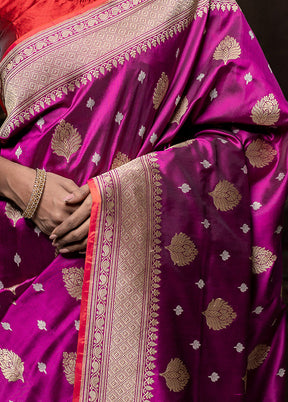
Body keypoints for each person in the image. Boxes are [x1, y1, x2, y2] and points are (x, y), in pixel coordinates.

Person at [0, 0, 287, 400]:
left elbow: (255, 137)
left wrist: (126, 198)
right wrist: (23, 187)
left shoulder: (194, 7)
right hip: (21, 266)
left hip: (146, 275)